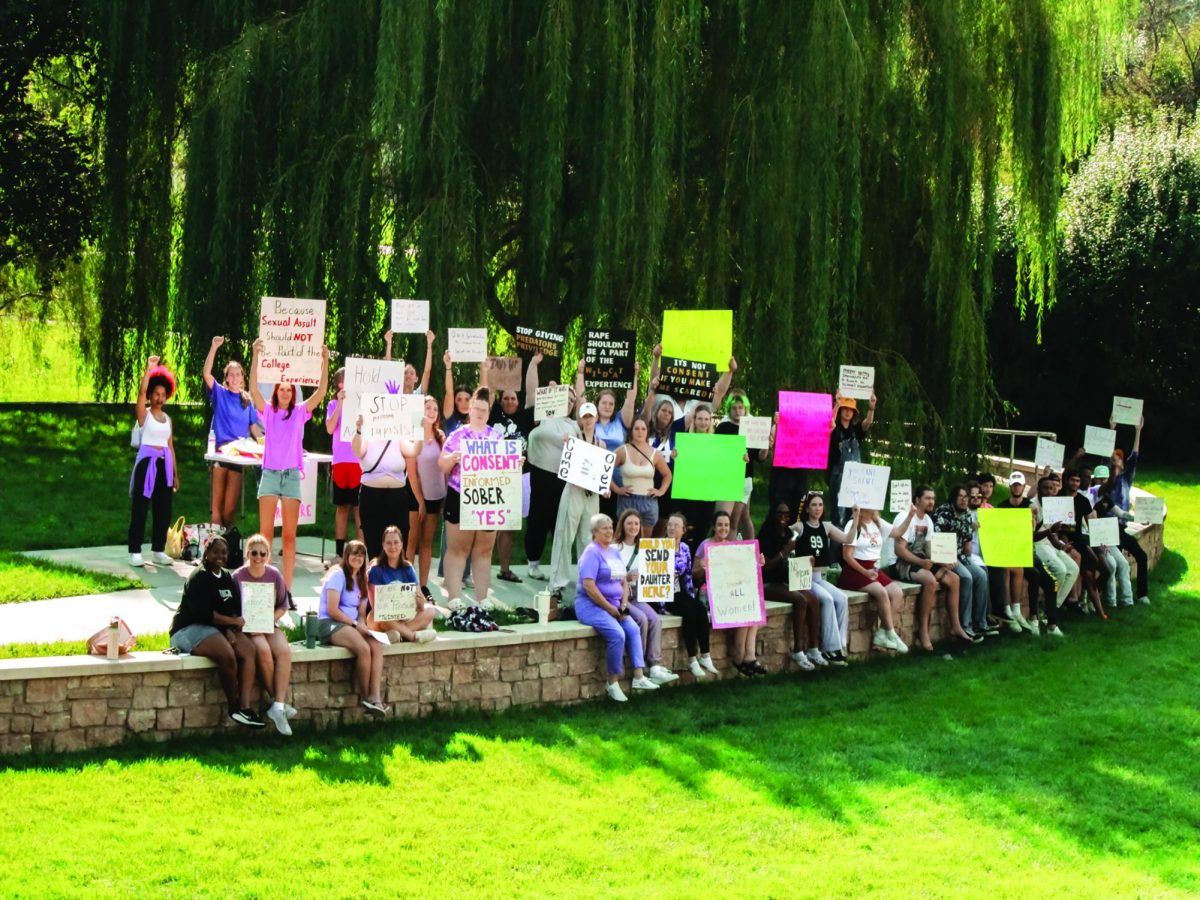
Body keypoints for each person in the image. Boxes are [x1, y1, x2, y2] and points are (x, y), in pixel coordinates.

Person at [249, 339, 330, 588]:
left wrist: (324, 362)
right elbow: (253, 389)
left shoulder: (299, 412)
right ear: (276, 391)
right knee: (264, 537)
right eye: (281, 389)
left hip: (292, 475)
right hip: (271, 474)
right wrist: (255, 355)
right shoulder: (268, 412)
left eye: (289, 389)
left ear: (293, 393)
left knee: (289, 537)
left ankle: (287, 589)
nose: (285, 392)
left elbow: (321, 393)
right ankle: (262, 584)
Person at [168, 536, 263, 727]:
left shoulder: (227, 577)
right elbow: (205, 614)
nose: (220, 556)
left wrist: (230, 628)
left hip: (217, 627)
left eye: (224, 552)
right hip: (189, 628)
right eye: (216, 552)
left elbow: (232, 608)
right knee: (227, 654)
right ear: (207, 553)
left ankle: (245, 708)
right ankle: (233, 707)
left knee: (248, 650)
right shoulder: (199, 577)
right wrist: (229, 625)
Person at [575, 514, 660, 702]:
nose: (609, 531)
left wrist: (622, 605)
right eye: (604, 528)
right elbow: (589, 586)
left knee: (633, 629)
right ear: (594, 532)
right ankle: (612, 682)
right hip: (591, 606)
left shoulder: (613, 551)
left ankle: (639, 677)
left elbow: (623, 581)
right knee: (617, 634)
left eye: (611, 527)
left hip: (615, 605)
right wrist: (610, 609)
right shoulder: (591, 553)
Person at [440, 387, 506, 606]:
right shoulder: (457, 435)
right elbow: (442, 464)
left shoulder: (497, 436)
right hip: (460, 494)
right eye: (476, 408)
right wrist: (453, 458)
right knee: (458, 548)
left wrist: (514, 463)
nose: (480, 412)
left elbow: (504, 469)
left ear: (489, 412)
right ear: (470, 409)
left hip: (488, 497)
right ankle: (454, 598)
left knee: (484, 550)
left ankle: (482, 598)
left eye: (484, 409)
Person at [893, 486, 972, 650]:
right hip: (901, 563)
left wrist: (943, 561)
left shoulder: (927, 520)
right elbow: (899, 550)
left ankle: (956, 626)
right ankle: (923, 631)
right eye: (928, 498)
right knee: (930, 580)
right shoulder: (906, 517)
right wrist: (922, 563)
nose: (931, 502)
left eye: (933, 498)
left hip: (920, 561)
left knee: (954, 579)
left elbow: (929, 551)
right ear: (917, 500)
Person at [231, 533, 294, 735]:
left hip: (268, 623)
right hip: (248, 627)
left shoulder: (274, 574)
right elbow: (232, 609)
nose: (258, 557)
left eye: (263, 553)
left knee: (284, 651)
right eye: (254, 553)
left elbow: (283, 606)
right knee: (264, 651)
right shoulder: (237, 577)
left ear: (268, 555)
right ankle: (278, 703)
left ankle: (278, 706)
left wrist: (268, 621)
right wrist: (248, 624)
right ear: (247, 553)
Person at [548, 401, 609, 606]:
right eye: (585, 416)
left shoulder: (601, 444)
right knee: (565, 535)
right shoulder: (573, 440)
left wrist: (604, 486)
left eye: (591, 416)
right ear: (580, 419)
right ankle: (557, 583)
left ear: (596, 418)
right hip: (573, 490)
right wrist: (567, 445)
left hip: (591, 495)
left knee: (588, 538)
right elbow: (566, 467)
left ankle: (587, 582)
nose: (588, 420)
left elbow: (603, 472)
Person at [318, 540, 388, 714]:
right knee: (363, 648)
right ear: (346, 555)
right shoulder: (337, 575)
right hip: (330, 623)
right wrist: (355, 624)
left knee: (376, 647)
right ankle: (366, 698)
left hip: (352, 624)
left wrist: (362, 623)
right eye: (354, 553)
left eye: (361, 554)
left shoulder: (362, 578)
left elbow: (361, 611)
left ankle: (375, 697)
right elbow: (332, 610)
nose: (358, 557)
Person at [489, 352, 541, 583]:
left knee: (510, 525)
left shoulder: (525, 417)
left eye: (513, 399)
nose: (510, 401)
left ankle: (504, 568)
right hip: (495, 475)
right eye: (506, 398)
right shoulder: (492, 415)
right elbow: (488, 392)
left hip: (520, 477)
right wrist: (487, 370)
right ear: (501, 401)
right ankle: (476, 566)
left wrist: (533, 364)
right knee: (489, 525)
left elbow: (532, 392)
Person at [613, 509, 680, 684]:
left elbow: (653, 573)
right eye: (629, 523)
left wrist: (666, 575)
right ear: (623, 525)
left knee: (655, 619)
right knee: (642, 619)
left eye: (636, 524)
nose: (633, 527)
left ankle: (655, 665)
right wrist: (626, 577)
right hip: (621, 595)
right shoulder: (615, 548)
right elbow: (610, 575)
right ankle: (639, 666)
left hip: (638, 595)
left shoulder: (644, 548)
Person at [757, 502, 826, 672]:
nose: (783, 518)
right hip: (768, 583)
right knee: (800, 600)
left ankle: (813, 648)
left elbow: (796, 561)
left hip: (786, 580)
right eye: (780, 513)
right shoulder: (765, 535)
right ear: (773, 514)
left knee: (813, 598)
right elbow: (764, 568)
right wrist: (784, 552)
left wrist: (807, 562)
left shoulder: (789, 534)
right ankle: (798, 651)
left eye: (787, 515)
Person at [695, 511, 765, 677]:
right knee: (744, 612)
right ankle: (739, 658)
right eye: (720, 525)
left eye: (726, 525)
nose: (723, 528)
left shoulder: (731, 546)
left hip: (728, 592)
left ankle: (749, 657)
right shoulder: (705, 545)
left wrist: (758, 563)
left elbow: (742, 572)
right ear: (714, 527)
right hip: (709, 594)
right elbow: (694, 574)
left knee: (752, 609)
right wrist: (702, 567)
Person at [202, 335, 262, 528]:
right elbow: (206, 374)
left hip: (238, 456)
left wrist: (271, 444)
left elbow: (254, 430)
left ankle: (226, 546)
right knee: (216, 507)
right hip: (220, 453)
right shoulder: (220, 394)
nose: (235, 378)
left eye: (238, 374)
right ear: (226, 378)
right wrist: (213, 348)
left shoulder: (248, 400)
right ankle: (213, 546)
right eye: (231, 375)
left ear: (242, 378)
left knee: (230, 508)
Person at [839, 506, 916, 653]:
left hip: (873, 569)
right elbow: (847, 555)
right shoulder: (853, 523)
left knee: (897, 592)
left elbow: (898, 532)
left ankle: (882, 633)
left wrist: (910, 516)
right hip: (856, 569)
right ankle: (891, 633)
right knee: (881, 592)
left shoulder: (878, 522)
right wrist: (864, 572)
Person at [795, 492, 859, 664]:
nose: (817, 508)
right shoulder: (800, 527)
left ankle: (840, 644)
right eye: (814, 505)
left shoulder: (826, 527)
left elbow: (848, 538)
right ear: (807, 508)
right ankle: (829, 648)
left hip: (818, 577)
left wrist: (856, 519)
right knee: (827, 599)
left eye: (820, 505)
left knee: (842, 598)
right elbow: (786, 543)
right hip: (804, 578)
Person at [128, 355, 179, 567]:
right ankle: (135, 551)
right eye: (156, 394)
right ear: (150, 395)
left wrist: (175, 474)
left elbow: (171, 446)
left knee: (163, 509)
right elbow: (140, 393)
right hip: (146, 464)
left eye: (163, 395)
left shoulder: (168, 420)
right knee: (140, 508)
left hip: (164, 466)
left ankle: (158, 549)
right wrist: (149, 369)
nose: (159, 398)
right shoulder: (144, 416)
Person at [524, 387, 580, 581]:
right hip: (539, 473)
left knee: (559, 523)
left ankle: (557, 568)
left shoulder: (574, 425)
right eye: (566, 398)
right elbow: (532, 393)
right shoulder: (544, 414)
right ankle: (533, 563)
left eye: (573, 400)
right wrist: (535, 363)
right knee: (537, 519)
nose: (570, 402)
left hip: (563, 479)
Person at [574, 358, 639, 520]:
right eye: (604, 403)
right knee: (592, 518)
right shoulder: (590, 421)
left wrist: (634, 375)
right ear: (597, 404)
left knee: (613, 519)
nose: (608, 406)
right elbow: (581, 400)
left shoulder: (621, 421)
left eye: (611, 403)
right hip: (592, 475)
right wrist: (581, 373)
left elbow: (630, 400)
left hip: (617, 479)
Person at [351, 413, 422, 558]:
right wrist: (358, 430)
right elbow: (357, 451)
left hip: (398, 499)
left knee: (398, 544)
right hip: (371, 498)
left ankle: (396, 579)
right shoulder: (367, 438)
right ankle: (375, 579)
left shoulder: (399, 440)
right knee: (374, 544)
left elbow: (414, 450)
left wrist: (420, 431)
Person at [933, 486, 994, 639]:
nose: (964, 499)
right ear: (953, 498)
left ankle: (981, 623)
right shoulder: (943, 513)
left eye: (966, 496)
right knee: (966, 577)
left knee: (980, 574)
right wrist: (946, 560)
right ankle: (964, 626)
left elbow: (967, 542)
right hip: (945, 556)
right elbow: (937, 541)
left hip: (960, 554)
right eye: (960, 496)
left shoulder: (967, 514)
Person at [663, 512, 717, 678]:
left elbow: (687, 575)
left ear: (683, 530)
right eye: (670, 525)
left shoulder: (685, 548)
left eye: (676, 525)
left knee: (699, 608)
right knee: (688, 612)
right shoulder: (659, 547)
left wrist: (691, 596)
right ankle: (692, 659)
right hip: (664, 594)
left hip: (680, 591)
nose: (672, 528)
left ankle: (705, 656)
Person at [366, 526, 437, 642]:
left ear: (401, 544)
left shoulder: (408, 568)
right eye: (388, 543)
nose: (392, 547)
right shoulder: (375, 569)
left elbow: (420, 601)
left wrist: (419, 600)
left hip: (405, 616)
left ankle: (397, 635)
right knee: (379, 614)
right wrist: (395, 614)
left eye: (396, 542)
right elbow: (376, 606)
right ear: (383, 546)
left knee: (430, 610)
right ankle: (411, 636)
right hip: (382, 619)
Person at [714, 391, 769, 539]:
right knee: (745, 517)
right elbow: (715, 454)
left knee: (733, 519)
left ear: (745, 409)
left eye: (740, 407)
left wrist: (766, 446)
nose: (737, 411)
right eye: (734, 408)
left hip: (744, 479)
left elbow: (760, 457)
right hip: (726, 478)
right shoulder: (722, 428)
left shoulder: (752, 427)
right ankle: (750, 549)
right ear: (729, 409)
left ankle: (736, 551)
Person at [1031, 475, 1079, 636]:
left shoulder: (1053, 506)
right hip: (1037, 545)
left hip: (1050, 544)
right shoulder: (1033, 507)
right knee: (1060, 569)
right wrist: (1050, 531)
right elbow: (1031, 536)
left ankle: (1051, 606)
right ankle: (1048, 612)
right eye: (1045, 488)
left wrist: (1061, 545)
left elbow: (1051, 532)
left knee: (1073, 567)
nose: (1049, 491)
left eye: (1052, 489)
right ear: (1038, 490)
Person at [324, 367, 363, 563]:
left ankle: (361, 552)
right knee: (342, 508)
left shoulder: (362, 404)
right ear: (339, 384)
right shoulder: (332, 404)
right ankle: (340, 553)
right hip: (340, 463)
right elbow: (330, 428)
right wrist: (339, 404)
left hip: (359, 461)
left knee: (359, 509)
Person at [410, 395, 447, 598]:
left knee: (426, 542)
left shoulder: (441, 437)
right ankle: (409, 586)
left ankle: (423, 586)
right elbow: (412, 472)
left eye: (435, 408)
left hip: (436, 496)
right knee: (411, 541)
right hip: (415, 496)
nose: (431, 411)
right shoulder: (413, 435)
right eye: (427, 407)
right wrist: (420, 500)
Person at [612, 417, 673, 532]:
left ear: (647, 432)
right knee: (625, 541)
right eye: (637, 429)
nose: (640, 432)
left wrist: (661, 491)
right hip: (627, 500)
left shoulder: (655, 454)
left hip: (649, 501)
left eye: (643, 429)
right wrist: (616, 489)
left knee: (643, 544)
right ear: (632, 431)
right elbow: (605, 469)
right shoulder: (622, 451)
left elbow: (667, 475)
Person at [998, 472, 1038, 633]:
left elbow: (1033, 531)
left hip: (1024, 550)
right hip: (1007, 549)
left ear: (1023, 486)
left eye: (1019, 485)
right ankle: (1009, 609)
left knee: (1029, 572)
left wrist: (1033, 517)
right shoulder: (1001, 507)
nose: (1016, 487)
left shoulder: (1029, 505)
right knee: (1010, 567)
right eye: (1014, 485)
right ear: (1010, 487)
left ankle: (1019, 611)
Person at [828, 391, 876, 524]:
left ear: (854, 412)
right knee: (838, 515)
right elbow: (829, 423)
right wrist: (836, 405)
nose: (848, 412)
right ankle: (837, 542)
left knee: (854, 515)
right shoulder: (834, 429)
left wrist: (871, 408)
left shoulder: (856, 430)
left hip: (855, 479)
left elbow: (868, 423)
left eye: (851, 409)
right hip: (837, 477)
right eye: (845, 409)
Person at [383, 328, 435, 394]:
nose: (408, 375)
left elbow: (427, 372)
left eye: (412, 373)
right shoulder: (394, 392)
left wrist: (429, 345)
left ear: (416, 379)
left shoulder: (419, 394)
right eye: (405, 373)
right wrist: (389, 343)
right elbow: (388, 370)